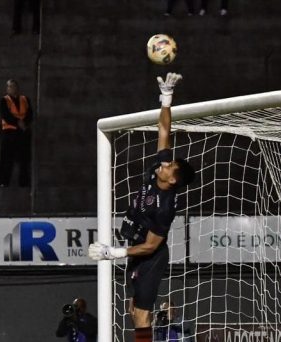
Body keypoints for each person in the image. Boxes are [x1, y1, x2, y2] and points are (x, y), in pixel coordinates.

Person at [89, 72, 196, 342]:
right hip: (136, 248)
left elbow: (151, 246)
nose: (165, 163)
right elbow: (163, 132)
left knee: (141, 316)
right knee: (133, 311)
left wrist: (112, 253)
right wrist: (166, 98)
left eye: (170, 166)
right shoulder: (157, 171)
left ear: (172, 179)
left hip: (150, 257)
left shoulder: (166, 207)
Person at [0, 79, 33, 188]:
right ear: (7, 89)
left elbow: (30, 114)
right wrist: (18, 123)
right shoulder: (4, 100)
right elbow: (5, 115)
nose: (13, 88)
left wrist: (24, 123)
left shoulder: (25, 99)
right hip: (9, 133)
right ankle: (3, 182)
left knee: (24, 159)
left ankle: (24, 182)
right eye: (10, 86)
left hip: (23, 133)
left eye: (15, 86)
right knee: (6, 158)